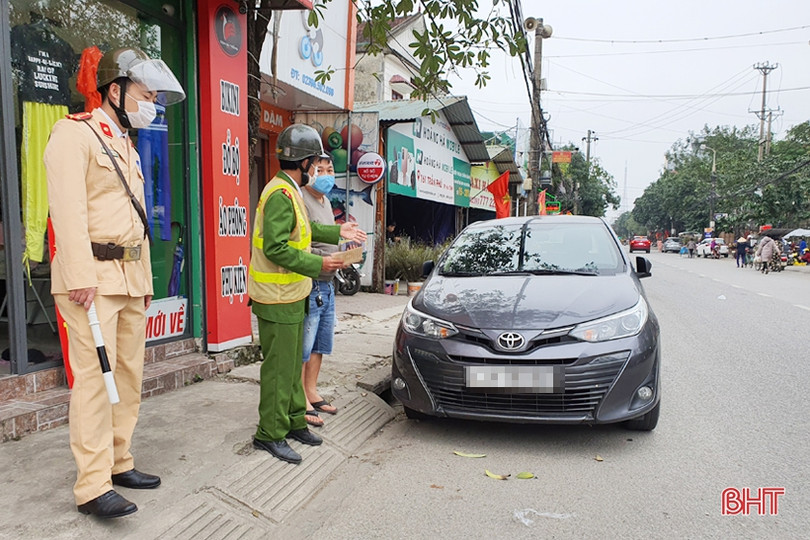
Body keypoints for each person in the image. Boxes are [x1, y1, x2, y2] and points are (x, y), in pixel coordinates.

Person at [43, 47, 185, 519]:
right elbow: (67, 211)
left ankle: (119, 460)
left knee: (127, 377)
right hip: (91, 279)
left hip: (128, 278)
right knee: (93, 381)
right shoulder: (75, 134)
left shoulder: (126, 144)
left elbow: (134, 222)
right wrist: (79, 276)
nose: (152, 104)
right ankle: (92, 485)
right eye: (147, 94)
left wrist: (145, 280)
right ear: (116, 90)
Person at [248, 124, 366, 465]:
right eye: (315, 163)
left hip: (292, 292)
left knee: (291, 366)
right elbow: (275, 247)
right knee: (279, 369)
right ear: (304, 162)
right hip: (276, 296)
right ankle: (270, 433)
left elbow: (304, 229)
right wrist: (319, 263)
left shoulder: (290, 190)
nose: (318, 169)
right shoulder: (280, 194)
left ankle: (294, 421)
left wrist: (337, 230)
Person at [300, 156, 340, 427]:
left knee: (320, 344)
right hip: (311, 281)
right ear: (308, 171)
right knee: (304, 345)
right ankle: (300, 397)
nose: (326, 175)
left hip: (328, 282)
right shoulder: (301, 199)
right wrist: (324, 259)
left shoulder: (325, 201)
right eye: (320, 169)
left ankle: (312, 390)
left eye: (330, 170)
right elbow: (301, 244)